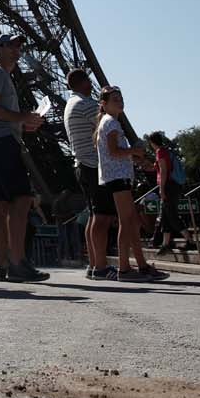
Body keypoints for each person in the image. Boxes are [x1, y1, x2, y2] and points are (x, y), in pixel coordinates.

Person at [0, 33, 49, 283]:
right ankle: (18, 263)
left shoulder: (0, 75)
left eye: (20, 47)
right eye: (11, 45)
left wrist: (24, 123)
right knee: (22, 199)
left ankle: (1, 263)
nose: (17, 50)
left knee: (0, 205)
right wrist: (21, 118)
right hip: (4, 144)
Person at [98, 87, 166, 281]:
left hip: (117, 176)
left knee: (132, 221)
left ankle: (141, 265)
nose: (119, 101)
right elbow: (113, 151)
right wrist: (134, 152)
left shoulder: (108, 122)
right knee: (127, 222)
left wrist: (132, 156)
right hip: (117, 177)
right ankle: (125, 268)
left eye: (120, 98)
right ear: (104, 104)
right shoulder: (111, 123)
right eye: (114, 99)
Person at [63, 69, 116, 279]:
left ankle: (94, 265)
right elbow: (109, 125)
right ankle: (101, 267)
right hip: (93, 166)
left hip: (83, 165)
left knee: (95, 216)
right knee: (102, 217)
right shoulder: (86, 105)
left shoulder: (71, 104)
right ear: (84, 82)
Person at [144, 131, 186, 255]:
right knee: (165, 217)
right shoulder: (166, 151)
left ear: (152, 142)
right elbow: (161, 167)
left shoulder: (160, 152)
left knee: (171, 215)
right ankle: (165, 244)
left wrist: (161, 189)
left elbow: (163, 171)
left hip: (168, 186)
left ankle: (190, 240)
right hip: (172, 185)